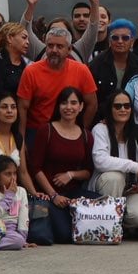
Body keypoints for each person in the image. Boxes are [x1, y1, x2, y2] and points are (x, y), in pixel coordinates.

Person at [27, 86, 92, 243]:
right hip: (48, 194)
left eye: (73, 103)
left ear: (81, 107)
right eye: (64, 103)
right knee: (64, 234)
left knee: (101, 204)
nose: (68, 107)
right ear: (58, 106)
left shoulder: (86, 135)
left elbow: (88, 170)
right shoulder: (46, 130)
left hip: (73, 194)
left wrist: (70, 175)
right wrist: (54, 195)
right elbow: (35, 168)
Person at [18, 24, 98, 137]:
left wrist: (81, 130)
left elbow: (92, 104)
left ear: (69, 49)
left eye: (59, 46)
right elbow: (22, 107)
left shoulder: (81, 70)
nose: (54, 50)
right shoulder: (31, 71)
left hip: (70, 131)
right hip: (37, 132)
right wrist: (21, 139)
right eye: (50, 46)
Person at [91, 91, 138, 232]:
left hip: (130, 189)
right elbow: (100, 161)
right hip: (104, 187)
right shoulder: (100, 129)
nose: (123, 110)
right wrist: (134, 167)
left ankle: (119, 223)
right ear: (110, 109)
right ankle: (107, 227)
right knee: (115, 177)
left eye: (127, 106)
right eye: (117, 106)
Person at [89, 19, 138, 108]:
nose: (120, 41)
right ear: (109, 41)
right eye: (115, 38)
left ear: (132, 41)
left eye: (125, 38)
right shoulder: (96, 64)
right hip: (103, 116)